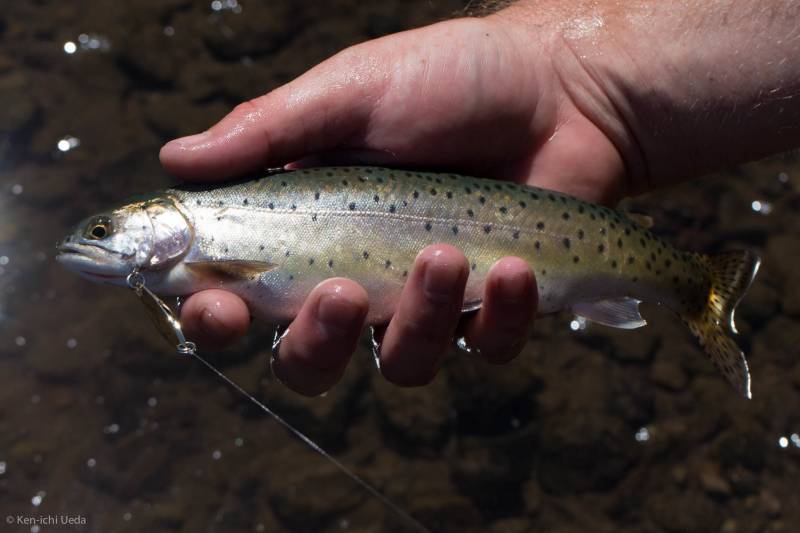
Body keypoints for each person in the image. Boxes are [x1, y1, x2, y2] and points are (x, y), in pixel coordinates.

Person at [159, 0, 800, 396]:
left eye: (105, 232)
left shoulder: (204, 225)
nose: (93, 245)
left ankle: (697, 286)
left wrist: (572, 79)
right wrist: (580, 82)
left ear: (156, 222)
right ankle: (690, 281)